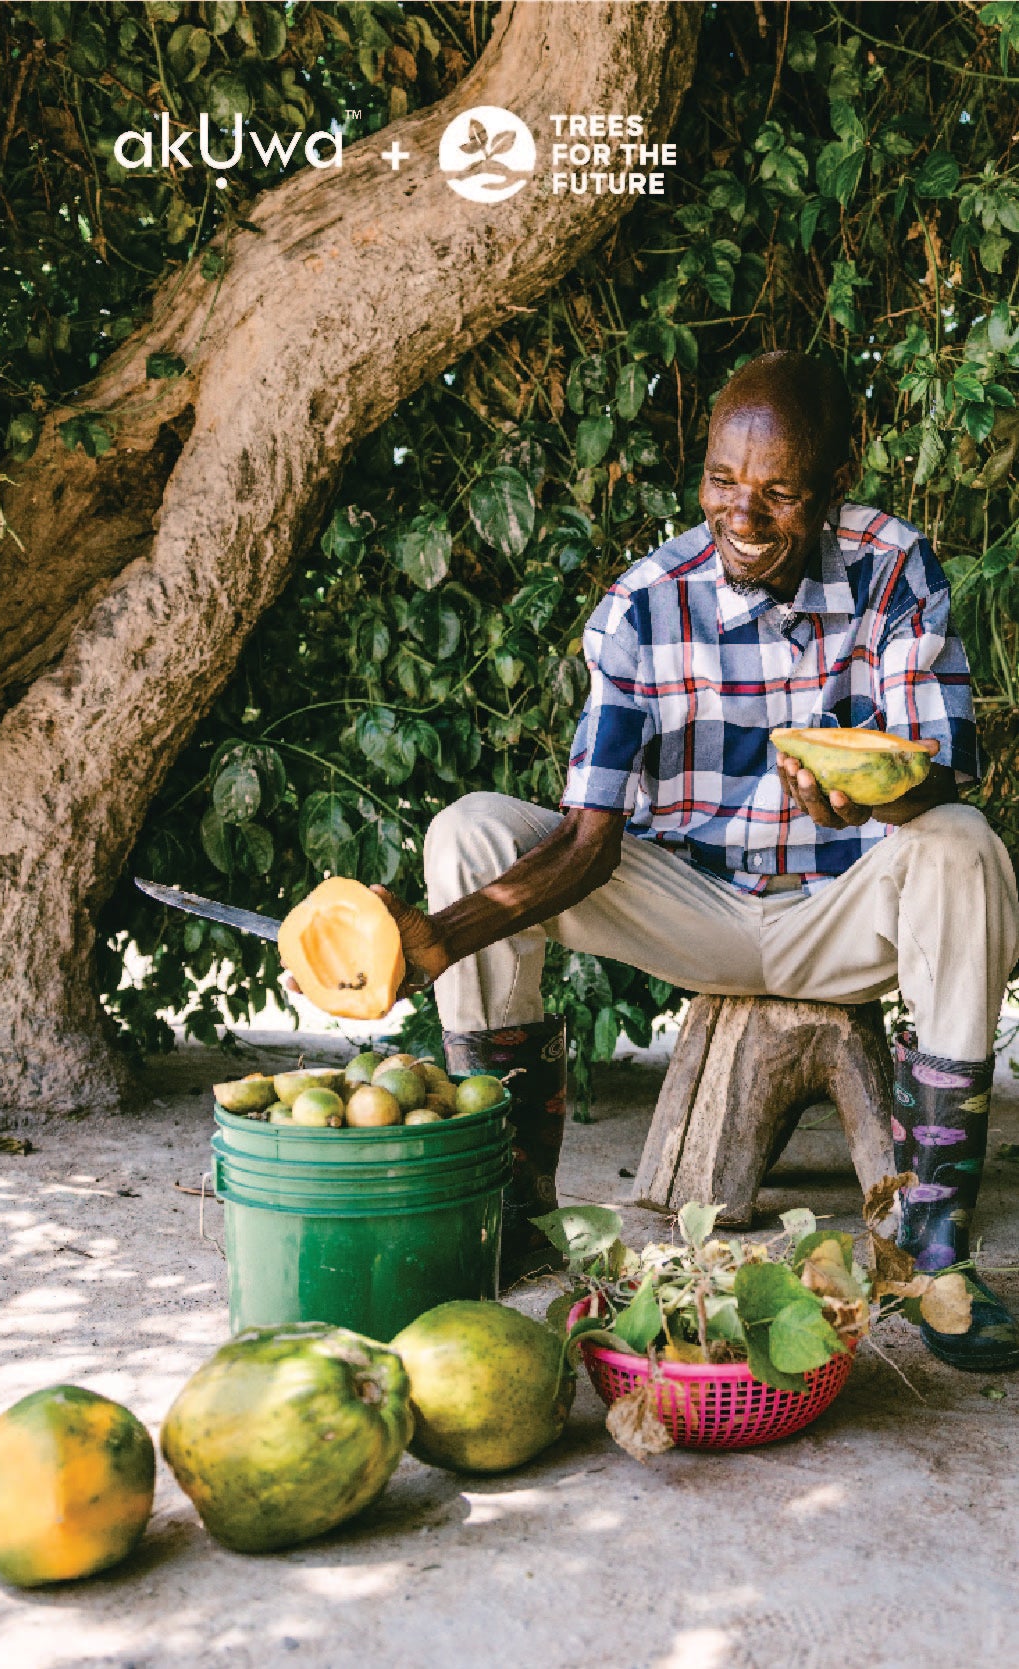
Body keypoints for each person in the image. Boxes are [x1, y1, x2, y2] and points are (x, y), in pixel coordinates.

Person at [375, 350, 1019, 1372]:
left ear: (836, 481)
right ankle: (507, 1203)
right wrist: (434, 939)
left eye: (780, 490)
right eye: (724, 480)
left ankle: (932, 1250)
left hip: (846, 908)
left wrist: (879, 789)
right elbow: (588, 842)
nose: (744, 513)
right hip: (693, 906)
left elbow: (942, 776)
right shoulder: (645, 601)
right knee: (472, 831)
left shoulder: (895, 565)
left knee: (966, 848)